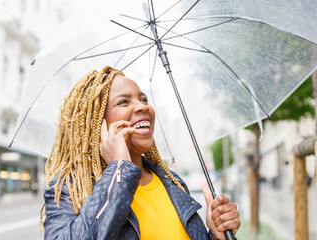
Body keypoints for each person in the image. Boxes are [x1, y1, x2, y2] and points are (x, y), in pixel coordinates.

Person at [42, 66, 240, 239]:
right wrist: (119, 171)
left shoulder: (172, 182)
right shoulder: (70, 190)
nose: (143, 106)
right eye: (123, 102)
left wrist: (216, 236)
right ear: (96, 126)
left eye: (143, 98)